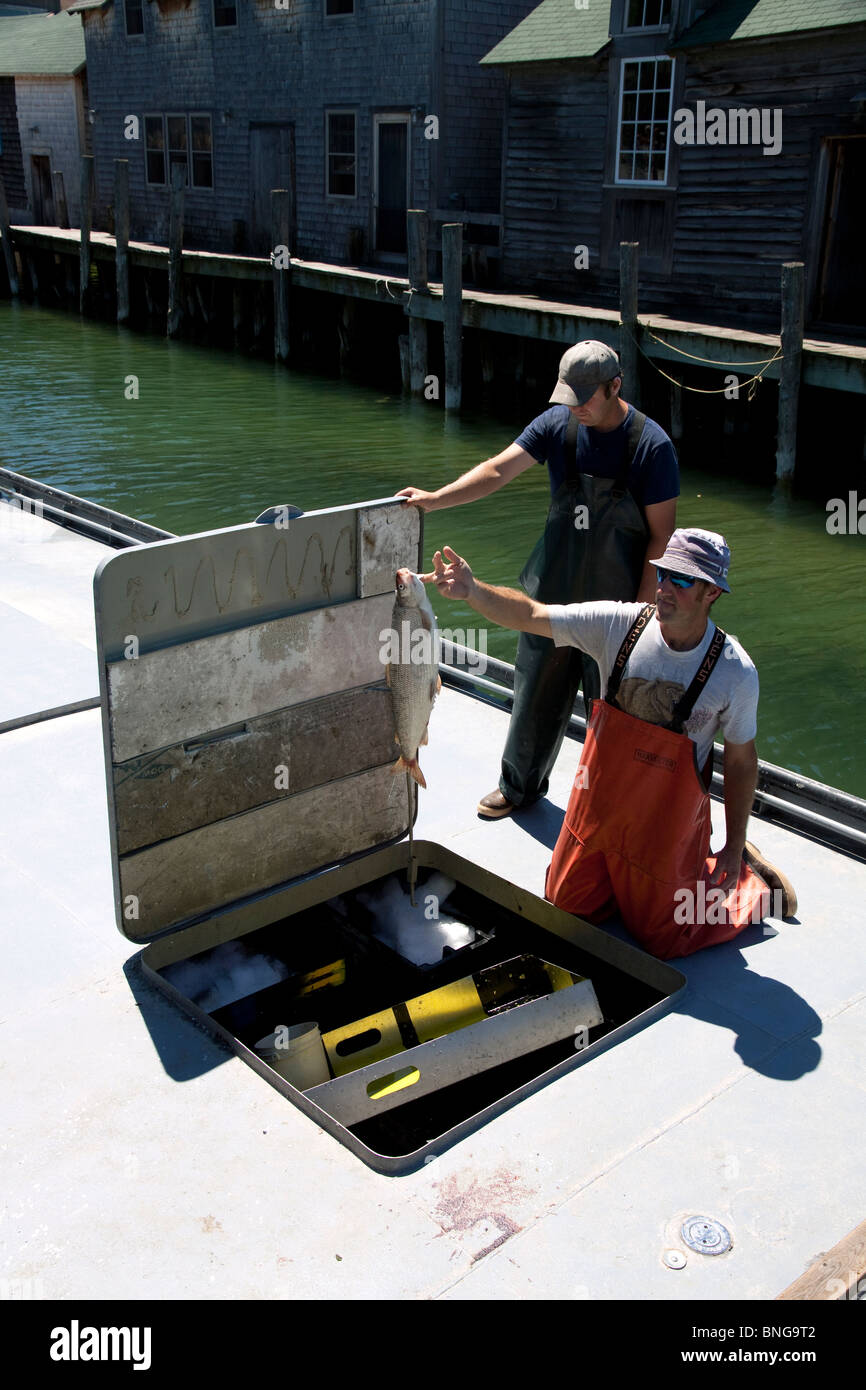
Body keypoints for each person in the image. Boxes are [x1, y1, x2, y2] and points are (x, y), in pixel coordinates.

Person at [423, 529, 797, 960]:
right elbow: (532, 613)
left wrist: (732, 846)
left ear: (712, 592)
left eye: (682, 580)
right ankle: (633, 885)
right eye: (664, 574)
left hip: (665, 825)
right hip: (598, 810)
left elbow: (740, 763)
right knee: (565, 904)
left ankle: (753, 879)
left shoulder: (735, 671)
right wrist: (473, 590)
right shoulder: (619, 624)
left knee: (666, 939)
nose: (664, 588)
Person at [397, 340, 678, 820]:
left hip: (616, 613)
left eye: (587, 397)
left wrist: (643, 617)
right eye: (570, 396)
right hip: (551, 598)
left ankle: (612, 810)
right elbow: (496, 470)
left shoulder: (651, 447)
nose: (577, 408)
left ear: (616, 386)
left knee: (613, 712)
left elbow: (661, 540)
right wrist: (434, 499)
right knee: (532, 696)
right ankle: (519, 787)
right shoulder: (556, 426)